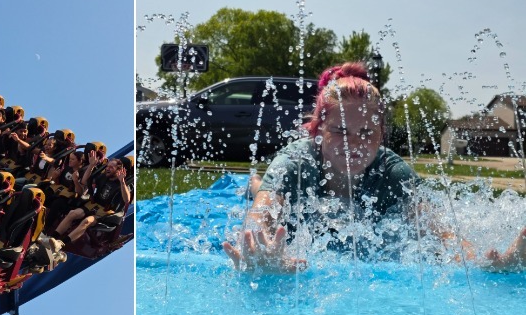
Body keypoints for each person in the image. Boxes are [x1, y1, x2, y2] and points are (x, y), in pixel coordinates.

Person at [222, 62, 526, 273]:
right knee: (261, 190)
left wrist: (484, 263)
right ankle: (255, 181)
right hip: (282, 184)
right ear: (318, 129)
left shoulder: (393, 171)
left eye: (367, 133)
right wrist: (259, 249)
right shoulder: (295, 162)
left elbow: (441, 235)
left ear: (381, 134)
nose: (354, 143)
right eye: (340, 130)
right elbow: (259, 216)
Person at [49, 152, 131, 249]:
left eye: (111, 167)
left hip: (106, 214)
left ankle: (61, 244)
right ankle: (52, 237)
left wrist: (122, 182)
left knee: (87, 221)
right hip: (94, 205)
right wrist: (91, 165)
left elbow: (127, 200)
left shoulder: (124, 184)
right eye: (107, 166)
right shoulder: (103, 177)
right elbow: (84, 181)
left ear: (118, 170)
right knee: (72, 213)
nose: (108, 169)